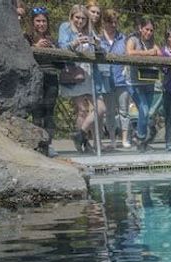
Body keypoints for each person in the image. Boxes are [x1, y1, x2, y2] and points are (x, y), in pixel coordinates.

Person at [57, 4, 104, 153]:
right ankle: (84, 143)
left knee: (101, 108)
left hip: (89, 74)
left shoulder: (90, 30)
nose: (80, 21)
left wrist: (96, 45)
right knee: (82, 110)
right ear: (71, 17)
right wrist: (75, 43)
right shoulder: (65, 27)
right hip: (74, 73)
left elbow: (101, 49)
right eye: (77, 17)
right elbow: (61, 46)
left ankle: (80, 134)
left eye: (83, 18)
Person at [25, 7, 59, 156]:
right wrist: (35, 48)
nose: (41, 24)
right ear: (33, 22)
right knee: (36, 111)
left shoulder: (52, 39)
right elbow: (21, 53)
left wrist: (53, 49)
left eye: (43, 21)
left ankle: (48, 144)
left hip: (51, 76)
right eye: (38, 21)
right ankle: (37, 143)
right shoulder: (26, 37)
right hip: (34, 77)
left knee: (49, 111)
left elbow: (60, 62)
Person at [125, 16, 159, 152]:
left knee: (146, 112)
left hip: (149, 80)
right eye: (147, 29)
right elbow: (129, 52)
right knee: (144, 109)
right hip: (134, 82)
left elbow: (159, 52)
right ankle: (140, 138)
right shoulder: (133, 39)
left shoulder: (152, 42)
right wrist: (147, 53)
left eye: (151, 30)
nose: (149, 33)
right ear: (140, 28)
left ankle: (141, 139)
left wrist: (153, 52)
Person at [97, 8, 127, 149]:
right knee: (109, 111)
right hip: (105, 80)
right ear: (105, 22)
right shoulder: (98, 38)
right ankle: (112, 140)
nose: (114, 25)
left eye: (116, 22)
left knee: (124, 110)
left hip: (121, 78)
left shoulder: (123, 38)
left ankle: (125, 139)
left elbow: (127, 55)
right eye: (111, 22)